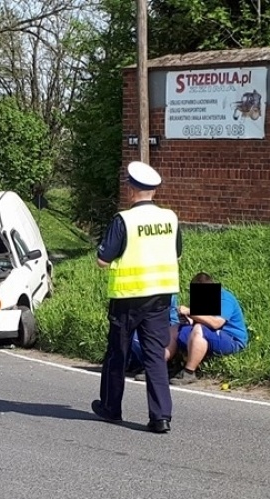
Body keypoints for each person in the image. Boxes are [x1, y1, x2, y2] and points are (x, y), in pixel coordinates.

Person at [91, 161, 182, 434]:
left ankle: (111, 407)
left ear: (131, 190)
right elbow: (177, 254)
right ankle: (161, 417)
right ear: (154, 191)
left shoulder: (124, 220)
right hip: (161, 296)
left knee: (118, 352)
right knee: (155, 355)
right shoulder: (170, 218)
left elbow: (102, 260)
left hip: (128, 297)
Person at [170, 272, 248, 384]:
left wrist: (190, 312)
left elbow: (216, 323)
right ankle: (158, 366)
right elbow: (198, 319)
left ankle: (189, 372)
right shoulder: (202, 297)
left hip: (232, 339)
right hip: (209, 334)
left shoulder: (225, 299)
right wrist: (187, 320)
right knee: (175, 329)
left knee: (199, 329)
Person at [128, 293, 182, 381]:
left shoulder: (167, 292)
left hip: (161, 327)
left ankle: (155, 367)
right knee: (130, 337)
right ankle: (139, 363)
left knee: (139, 339)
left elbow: (173, 318)